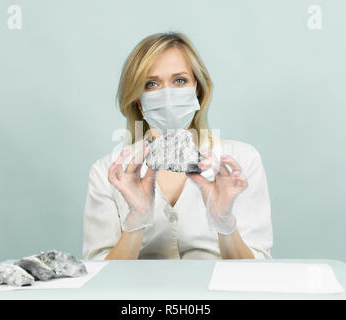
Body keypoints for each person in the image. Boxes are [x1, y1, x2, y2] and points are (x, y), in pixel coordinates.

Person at [82, 32, 273, 260]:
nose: (167, 95)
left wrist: (225, 225)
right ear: (138, 101)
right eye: (151, 84)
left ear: (198, 91)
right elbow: (100, 278)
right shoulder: (108, 173)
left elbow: (255, 274)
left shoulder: (241, 161)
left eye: (180, 80)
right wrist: (136, 220)